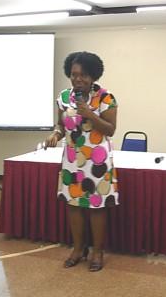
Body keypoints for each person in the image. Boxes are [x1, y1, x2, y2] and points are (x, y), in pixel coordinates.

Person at [45, 51, 118, 272]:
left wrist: (90, 114)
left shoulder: (106, 98)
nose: (78, 79)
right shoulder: (64, 97)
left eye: (84, 75)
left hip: (97, 162)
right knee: (74, 206)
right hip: (71, 160)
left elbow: (111, 130)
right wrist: (56, 134)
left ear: (94, 76)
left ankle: (97, 251)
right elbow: (61, 123)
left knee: (96, 207)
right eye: (74, 74)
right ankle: (78, 249)